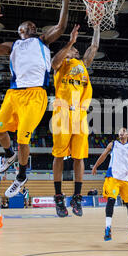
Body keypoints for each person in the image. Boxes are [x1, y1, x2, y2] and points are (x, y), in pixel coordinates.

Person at [0, 0, 74, 199]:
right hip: (14, 94)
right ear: (20, 30)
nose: (31, 26)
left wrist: (65, 0)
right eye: (27, 25)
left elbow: (61, 26)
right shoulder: (11, 47)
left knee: (23, 138)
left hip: (36, 95)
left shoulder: (42, 40)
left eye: (33, 25)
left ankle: (21, 176)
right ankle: (10, 156)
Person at [50, 23, 100, 217]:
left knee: (79, 157)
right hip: (62, 112)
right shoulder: (61, 64)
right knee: (59, 155)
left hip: (79, 114)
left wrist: (96, 26)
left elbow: (93, 47)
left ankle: (77, 197)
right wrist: (69, 41)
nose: (76, 49)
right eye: (73, 48)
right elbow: (54, 62)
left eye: (76, 49)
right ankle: (58, 197)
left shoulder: (83, 65)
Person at [92, 128, 128, 245]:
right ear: (119, 135)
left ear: (127, 135)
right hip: (113, 177)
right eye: (120, 131)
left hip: (127, 179)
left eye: (124, 131)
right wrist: (95, 166)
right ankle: (108, 228)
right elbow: (103, 155)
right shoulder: (113, 144)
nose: (122, 132)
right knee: (111, 200)